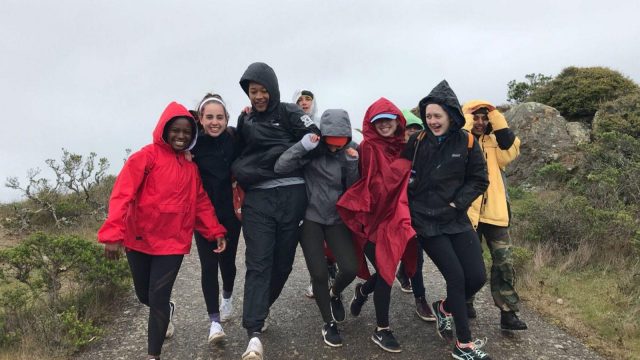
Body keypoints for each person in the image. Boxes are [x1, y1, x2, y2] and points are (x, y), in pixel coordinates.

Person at [98, 101, 227, 360]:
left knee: (157, 296)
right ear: (164, 130)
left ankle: (153, 355)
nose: (181, 136)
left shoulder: (191, 168)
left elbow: (200, 201)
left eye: (187, 132)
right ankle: (168, 309)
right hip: (139, 239)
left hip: (172, 243)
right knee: (144, 294)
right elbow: (122, 194)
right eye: (176, 131)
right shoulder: (144, 157)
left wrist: (214, 230)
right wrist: (113, 234)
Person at [232, 62, 320, 360]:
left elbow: (316, 140)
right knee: (258, 262)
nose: (257, 96)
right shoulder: (246, 121)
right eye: (252, 91)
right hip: (258, 199)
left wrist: (284, 156)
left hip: (292, 196)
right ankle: (253, 332)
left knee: (282, 264)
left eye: (262, 90)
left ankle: (261, 307)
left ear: (273, 88)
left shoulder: (289, 113)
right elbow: (239, 155)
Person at [403, 80, 491, 360]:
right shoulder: (416, 142)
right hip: (426, 222)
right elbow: (399, 174)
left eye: (437, 116)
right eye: (428, 116)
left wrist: (457, 202)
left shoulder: (466, 141)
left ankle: (445, 308)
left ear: (451, 116)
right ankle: (463, 344)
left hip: (455, 217)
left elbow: (480, 179)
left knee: (477, 276)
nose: (432, 121)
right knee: (456, 276)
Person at [337, 97, 417, 353]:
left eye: (388, 120)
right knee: (385, 272)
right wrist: (405, 161)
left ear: (397, 121)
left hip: (397, 219)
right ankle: (382, 329)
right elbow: (380, 188)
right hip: (374, 220)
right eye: (378, 121)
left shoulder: (401, 145)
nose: (384, 125)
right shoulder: (370, 147)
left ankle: (362, 291)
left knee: (387, 271)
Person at [274, 108, 359, 347]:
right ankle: (327, 323)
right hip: (310, 218)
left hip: (335, 219)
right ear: (323, 136)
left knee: (350, 268)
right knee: (319, 273)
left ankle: (334, 293)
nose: (334, 147)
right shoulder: (312, 151)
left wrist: (353, 164)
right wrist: (303, 146)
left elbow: (352, 190)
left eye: (339, 142)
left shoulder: (349, 152)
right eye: (331, 142)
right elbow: (280, 166)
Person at [462, 100, 527, 331]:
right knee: (470, 264)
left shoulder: (495, 143)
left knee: (504, 264)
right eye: (475, 117)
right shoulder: (464, 142)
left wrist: (496, 117)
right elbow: (457, 149)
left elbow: (510, 150)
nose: (480, 122)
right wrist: (465, 120)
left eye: (484, 117)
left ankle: (508, 314)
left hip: (496, 215)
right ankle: (466, 301)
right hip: (468, 215)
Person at [190, 93, 243, 344]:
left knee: (228, 265)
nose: (214, 122)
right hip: (202, 216)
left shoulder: (234, 138)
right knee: (209, 267)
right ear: (200, 119)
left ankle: (228, 297)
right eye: (209, 117)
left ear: (227, 119)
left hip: (231, 214)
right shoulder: (193, 144)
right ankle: (214, 322)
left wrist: (247, 115)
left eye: (219, 117)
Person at [291, 89, 338, 299]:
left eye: (308, 98)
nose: (304, 103)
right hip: (300, 183)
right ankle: (316, 275)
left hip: (322, 183)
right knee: (311, 235)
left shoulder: (322, 123)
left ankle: (330, 267)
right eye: (299, 100)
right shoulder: (290, 124)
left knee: (330, 232)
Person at [394, 109, 437, 322]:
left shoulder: (426, 152)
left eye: (416, 128)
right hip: (396, 213)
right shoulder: (393, 152)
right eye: (408, 128)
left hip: (419, 213)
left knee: (417, 255)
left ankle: (420, 298)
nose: (412, 132)